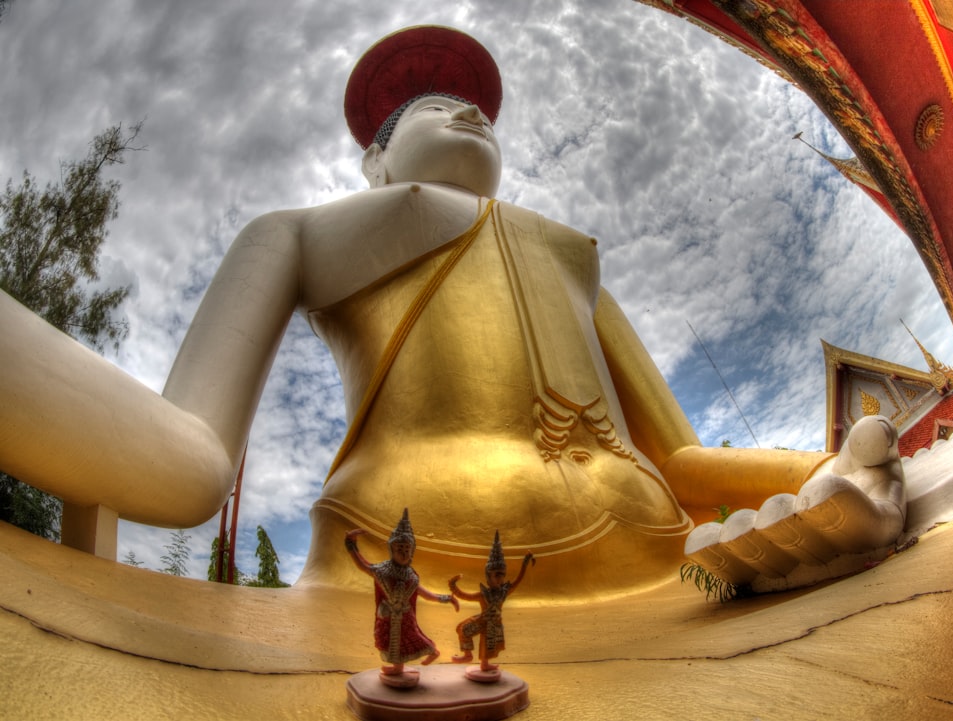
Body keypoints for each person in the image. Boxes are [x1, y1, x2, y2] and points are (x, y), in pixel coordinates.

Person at [0, 26, 903, 598]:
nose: (468, 110)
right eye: (434, 107)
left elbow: (679, 456)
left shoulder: (574, 257)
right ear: (375, 166)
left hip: (662, 571)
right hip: (398, 585)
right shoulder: (302, 232)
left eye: (474, 105)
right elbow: (193, 459)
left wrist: (837, 464)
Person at [344, 509, 458, 685]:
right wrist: (351, 545)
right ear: (391, 549)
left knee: (410, 638)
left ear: (412, 551)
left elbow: (425, 594)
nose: (404, 553)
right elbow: (363, 565)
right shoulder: (383, 571)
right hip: (387, 615)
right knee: (389, 641)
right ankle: (398, 668)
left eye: (407, 549)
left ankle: (432, 651)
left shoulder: (411, 576)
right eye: (400, 548)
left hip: (404, 616)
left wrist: (446, 598)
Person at [449, 531, 534, 679]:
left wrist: (524, 563)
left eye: (502, 575)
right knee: (462, 628)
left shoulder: (504, 591)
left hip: (494, 623)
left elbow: (518, 580)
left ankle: (484, 665)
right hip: (483, 620)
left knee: (488, 646)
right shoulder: (484, 594)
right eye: (496, 575)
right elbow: (465, 596)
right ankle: (468, 655)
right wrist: (453, 587)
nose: (500, 579)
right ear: (488, 577)